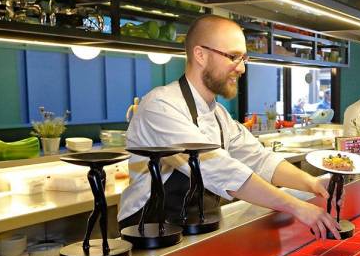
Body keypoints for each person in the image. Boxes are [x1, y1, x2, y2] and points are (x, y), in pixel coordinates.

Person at [119, 15, 340, 239]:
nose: (242, 68)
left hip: (196, 229)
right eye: (233, 57)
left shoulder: (218, 114)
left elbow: (259, 159)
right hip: (150, 233)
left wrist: (312, 184)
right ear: (200, 55)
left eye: (244, 58)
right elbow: (219, 168)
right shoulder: (160, 106)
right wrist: (296, 206)